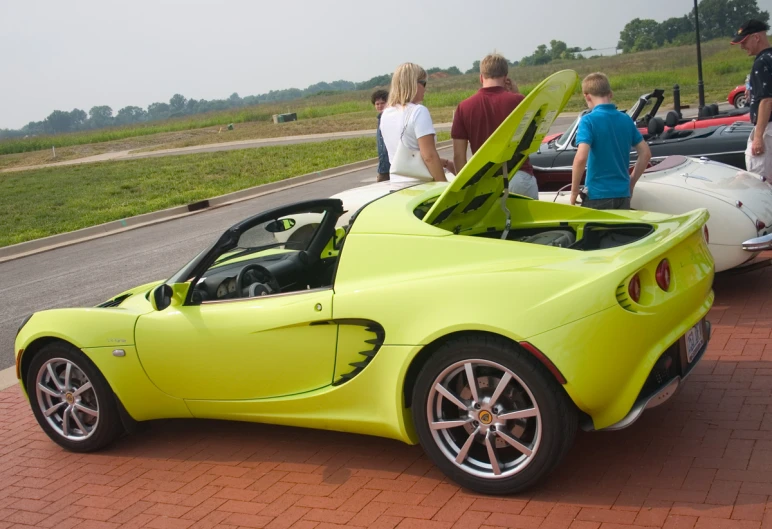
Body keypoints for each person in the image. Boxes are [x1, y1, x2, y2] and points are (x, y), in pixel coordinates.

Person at [450, 54, 538, 199]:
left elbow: (459, 156)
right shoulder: (519, 101)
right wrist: (516, 93)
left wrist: (465, 189)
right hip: (518, 175)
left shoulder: (464, 107)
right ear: (505, 77)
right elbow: (534, 134)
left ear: (481, 77)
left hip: (486, 182)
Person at [570, 73, 651, 210]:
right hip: (622, 195)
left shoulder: (588, 121)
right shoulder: (625, 119)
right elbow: (646, 154)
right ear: (611, 94)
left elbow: (581, 157)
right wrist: (631, 182)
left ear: (587, 96)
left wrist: (574, 191)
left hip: (597, 195)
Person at [379, 63, 453, 182]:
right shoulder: (418, 111)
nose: (425, 88)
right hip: (420, 183)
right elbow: (428, 156)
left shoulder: (385, 114)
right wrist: (443, 185)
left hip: (396, 183)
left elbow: (409, 151)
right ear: (413, 84)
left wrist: (444, 162)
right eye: (424, 83)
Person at [731, 19, 772, 178]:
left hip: (768, 129)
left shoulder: (761, 62)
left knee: (759, 179)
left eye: (744, 41)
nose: (742, 46)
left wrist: (758, 137)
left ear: (756, 38)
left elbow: (767, 100)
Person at [371, 89, 390, 182]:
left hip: (392, 166)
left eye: (382, 103)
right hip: (383, 167)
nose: (380, 106)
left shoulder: (390, 118)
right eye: (377, 104)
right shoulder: (380, 119)